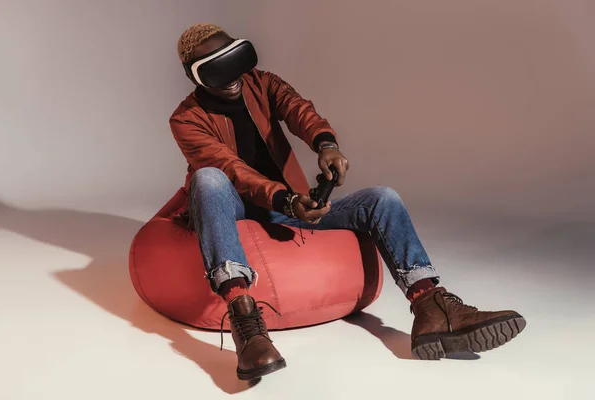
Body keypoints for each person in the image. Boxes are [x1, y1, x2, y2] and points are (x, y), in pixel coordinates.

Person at [169, 23, 526, 380]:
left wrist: (326, 145)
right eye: (217, 70)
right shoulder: (185, 119)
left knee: (381, 198)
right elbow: (231, 170)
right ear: (193, 75)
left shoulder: (262, 83)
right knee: (208, 177)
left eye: (236, 61)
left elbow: (299, 110)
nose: (232, 77)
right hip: (235, 210)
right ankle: (245, 324)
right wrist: (286, 199)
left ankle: (430, 306)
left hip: (289, 209)